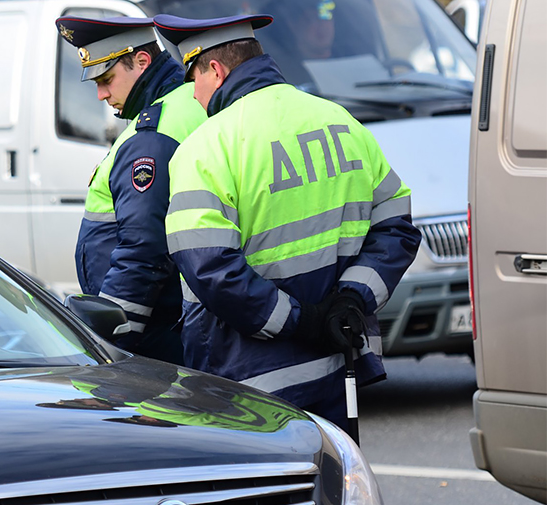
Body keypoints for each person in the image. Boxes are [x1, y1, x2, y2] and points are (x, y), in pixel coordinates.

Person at [152, 13, 421, 429]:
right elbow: (396, 226)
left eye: (194, 81)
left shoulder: (205, 148)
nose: (193, 96)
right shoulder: (339, 121)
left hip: (245, 383)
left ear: (217, 71)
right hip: (336, 367)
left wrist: (299, 320)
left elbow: (209, 267)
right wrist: (353, 299)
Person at [55, 16, 207, 365]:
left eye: (107, 79)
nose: (101, 94)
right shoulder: (188, 101)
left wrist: (114, 337)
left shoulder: (153, 133)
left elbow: (144, 248)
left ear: (142, 61)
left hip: (158, 327)